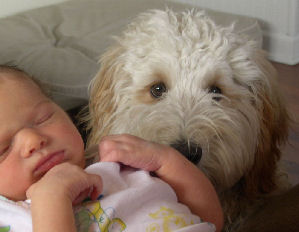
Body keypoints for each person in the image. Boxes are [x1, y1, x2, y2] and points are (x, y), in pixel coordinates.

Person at [0, 65, 223, 232]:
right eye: (2, 149)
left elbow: (209, 217)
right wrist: (51, 196)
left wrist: (164, 159)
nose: (33, 140)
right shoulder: (9, 215)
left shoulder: (119, 163)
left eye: (43, 118)